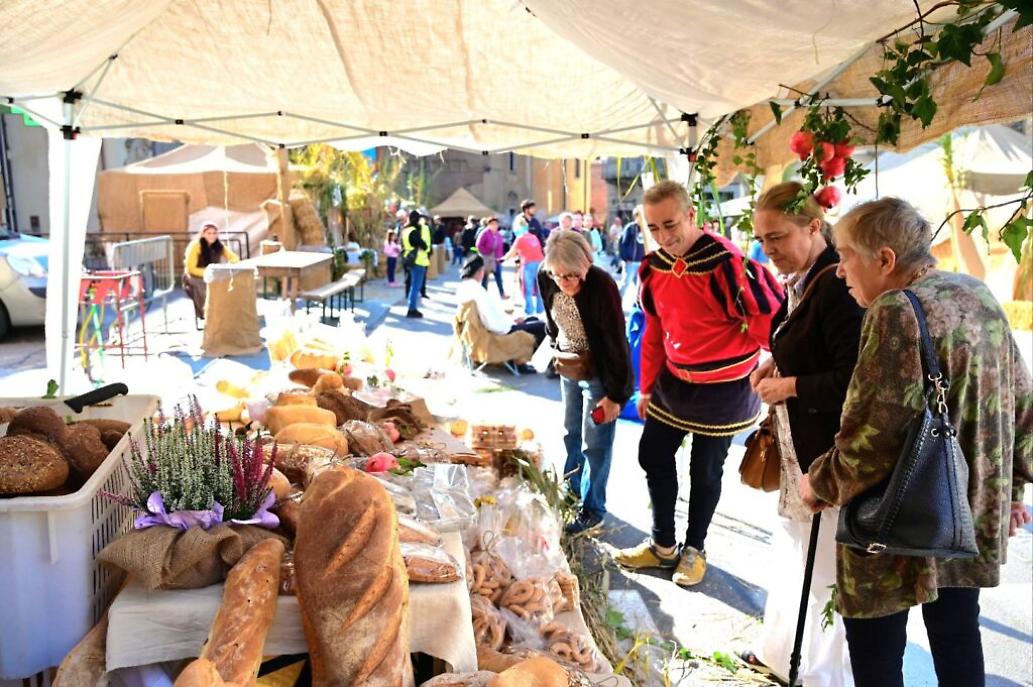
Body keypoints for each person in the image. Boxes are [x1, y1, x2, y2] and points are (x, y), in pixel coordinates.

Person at [799, 197, 1032, 687]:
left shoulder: (894, 309)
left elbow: (874, 433)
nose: (840, 271)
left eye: (845, 257)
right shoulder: (977, 293)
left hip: (901, 516)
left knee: (877, 651)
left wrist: (820, 482)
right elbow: (1021, 404)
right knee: (958, 638)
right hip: (965, 513)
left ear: (884, 259)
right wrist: (1012, 491)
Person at [613, 180, 783, 586]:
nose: (663, 236)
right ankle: (662, 545)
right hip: (673, 383)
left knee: (705, 472)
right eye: (653, 228)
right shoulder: (652, 268)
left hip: (724, 388)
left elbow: (773, 329)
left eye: (670, 224)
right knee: (652, 455)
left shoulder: (728, 263)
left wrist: (780, 373)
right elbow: (654, 330)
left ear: (692, 215)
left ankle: (695, 549)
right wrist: (649, 386)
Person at [744, 182, 863, 687]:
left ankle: (819, 674)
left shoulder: (838, 282)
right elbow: (801, 338)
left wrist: (788, 384)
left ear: (814, 227)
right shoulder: (804, 276)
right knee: (796, 551)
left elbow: (851, 378)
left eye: (777, 237)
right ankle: (782, 652)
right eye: (761, 239)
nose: (768, 249)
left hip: (828, 450)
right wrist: (777, 358)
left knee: (825, 572)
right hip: (802, 448)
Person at [537, 230, 634, 534]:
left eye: (573, 276)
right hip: (568, 366)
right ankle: (572, 491)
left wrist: (617, 395)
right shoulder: (545, 277)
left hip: (598, 373)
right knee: (570, 434)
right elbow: (551, 319)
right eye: (559, 276)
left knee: (596, 442)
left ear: (586, 266)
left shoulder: (602, 284)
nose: (565, 283)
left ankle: (593, 510)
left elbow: (617, 343)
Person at [457, 254, 546, 360]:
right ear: (479, 272)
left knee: (533, 320)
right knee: (543, 326)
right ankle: (523, 360)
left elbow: (489, 315)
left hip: (494, 326)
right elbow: (491, 321)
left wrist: (511, 320)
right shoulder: (477, 291)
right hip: (499, 329)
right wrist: (511, 322)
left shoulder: (464, 288)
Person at [182, 222, 239, 319]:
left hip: (213, 273)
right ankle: (207, 314)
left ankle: (225, 312)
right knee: (204, 287)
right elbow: (190, 268)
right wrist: (207, 272)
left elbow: (233, 258)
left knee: (229, 284)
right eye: (209, 233)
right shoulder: (195, 246)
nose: (212, 236)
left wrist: (227, 267)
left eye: (214, 233)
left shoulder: (219, 246)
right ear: (203, 234)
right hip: (194, 275)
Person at [504, 216, 545, 315]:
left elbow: (511, 253)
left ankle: (529, 311)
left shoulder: (520, 238)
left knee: (528, 289)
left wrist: (502, 259)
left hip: (528, 265)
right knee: (539, 288)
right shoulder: (533, 237)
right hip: (540, 264)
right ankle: (540, 310)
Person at [401, 210, 431, 318]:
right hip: (418, 260)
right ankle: (412, 309)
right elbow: (423, 245)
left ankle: (411, 307)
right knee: (415, 286)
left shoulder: (405, 230)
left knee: (412, 284)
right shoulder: (414, 231)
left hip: (408, 259)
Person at [618, 205, 647, 298]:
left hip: (641, 262)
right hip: (630, 263)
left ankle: (638, 306)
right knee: (625, 284)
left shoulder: (646, 229)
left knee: (640, 287)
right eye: (640, 215)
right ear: (636, 216)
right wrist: (625, 258)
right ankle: (615, 304)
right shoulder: (630, 228)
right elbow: (622, 243)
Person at [476, 216, 507, 298]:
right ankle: (483, 294)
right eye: (492, 224)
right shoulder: (485, 233)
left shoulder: (498, 235)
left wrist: (501, 257)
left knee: (499, 277)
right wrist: (485, 253)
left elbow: (501, 247)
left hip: (496, 259)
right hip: (487, 258)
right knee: (485, 278)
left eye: (496, 224)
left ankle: (502, 293)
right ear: (488, 225)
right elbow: (478, 245)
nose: (494, 225)